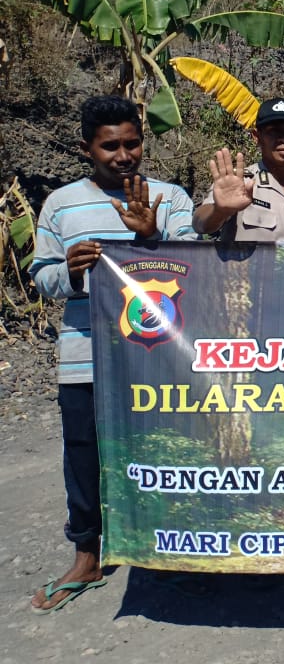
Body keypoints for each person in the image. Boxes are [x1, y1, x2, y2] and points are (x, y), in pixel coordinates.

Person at [29, 96, 197, 612]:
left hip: (157, 355)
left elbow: (195, 264)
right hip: (85, 355)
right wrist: (74, 272)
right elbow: (43, 278)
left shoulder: (169, 197)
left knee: (168, 452)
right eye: (110, 146)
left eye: (132, 143)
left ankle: (175, 551)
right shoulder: (60, 204)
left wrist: (150, 237)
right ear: (87, 148)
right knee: (84, 455)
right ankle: (88, 554)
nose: (124, 155)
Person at [193, 97, 284, 242]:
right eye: (274, 131)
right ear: (257, 137)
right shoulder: (239, 184)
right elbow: (200, 224)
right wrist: (220, 211)